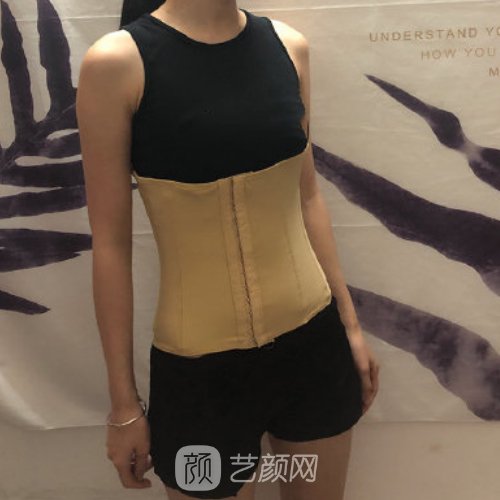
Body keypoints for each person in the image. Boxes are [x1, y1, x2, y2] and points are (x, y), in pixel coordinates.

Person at [76, 1, 380, 499]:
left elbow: (307, 197)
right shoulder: (117, 63)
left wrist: (350, 328)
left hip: (314, 350)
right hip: (199, 375)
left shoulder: (289, 47)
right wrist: (124, 405)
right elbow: (110, 243)